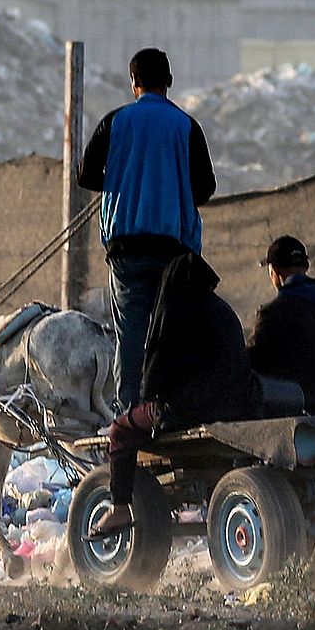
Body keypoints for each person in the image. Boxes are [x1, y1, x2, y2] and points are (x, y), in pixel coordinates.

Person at [75, 47, 216, 410]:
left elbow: (87, 175)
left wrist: (122, 178)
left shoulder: (115, 122)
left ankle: (130, 415)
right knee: (171, 334)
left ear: (133, 82)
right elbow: (205, 189)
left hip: (126, 249)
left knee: (130, 338)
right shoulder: (187, 127)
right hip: (175, 249)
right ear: (169, 82)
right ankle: (171, 410)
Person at [91, 249, 261, 538]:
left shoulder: (178, 311)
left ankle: (119, 508)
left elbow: (157, 373)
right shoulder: (223, 311)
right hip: (240, 404)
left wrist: (146, 398)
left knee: (120, 429)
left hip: (189, 409)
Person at [247, 234, 315, 415]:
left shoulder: (273, 313)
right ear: (305, 267)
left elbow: (250, 363)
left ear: (274, 271)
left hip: (304, 421)